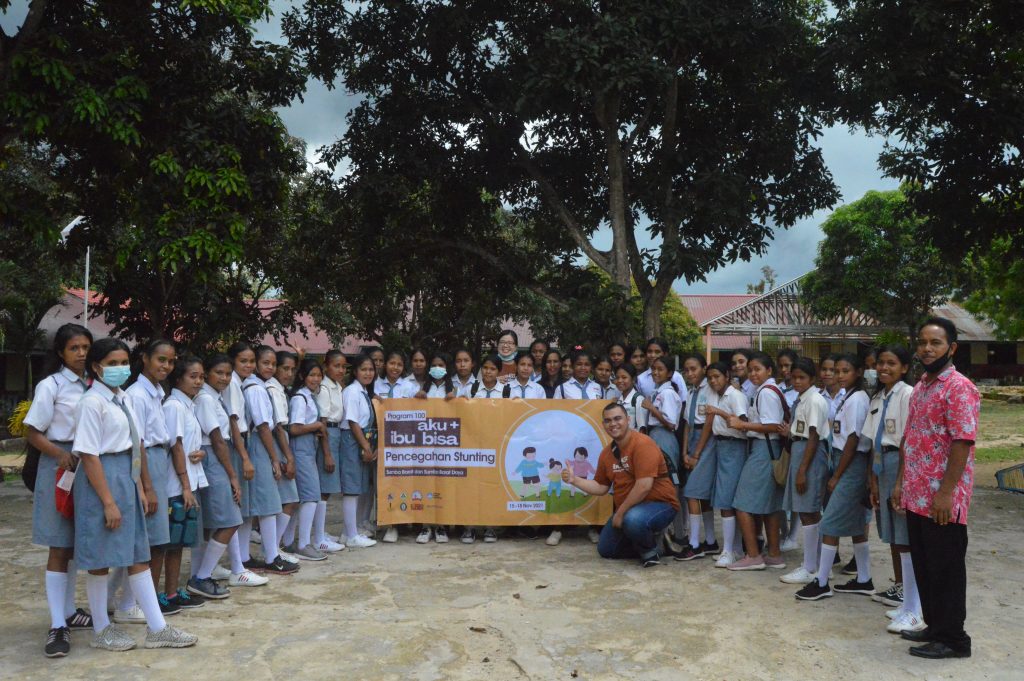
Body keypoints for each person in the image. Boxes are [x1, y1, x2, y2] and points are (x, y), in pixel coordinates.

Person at [72, 337, 197, 651]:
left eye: (122, 363)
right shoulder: (91, 402)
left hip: (126, 478)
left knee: (138, 554)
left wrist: (142, 487)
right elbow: (89, 455)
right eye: (111, 364)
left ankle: (158, 629)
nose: (119, 369)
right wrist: (109, 502)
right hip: (102, 481)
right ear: (96, 367)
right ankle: (102, 629)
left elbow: (137, 443)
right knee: (100, 558)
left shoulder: (123, 397)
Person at [892, 318, 979, 659]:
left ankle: (955, 639)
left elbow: (962, 442)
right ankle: (935, 626)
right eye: (923, 342)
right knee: (925, 564)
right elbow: (909, 439)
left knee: (946, 568)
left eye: (936, 342)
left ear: (952, 348)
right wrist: (900, 482)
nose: (927, 348)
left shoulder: (958, 387)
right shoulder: (922, 386)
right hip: (916, 495)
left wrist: (945, 493)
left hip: (943, 499)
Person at [23, 323, 94, 657]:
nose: (81, 354)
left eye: (85, 347)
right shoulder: (51, 385)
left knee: (77, 542)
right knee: (58, 544)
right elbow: (32, 431)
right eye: (74, 348)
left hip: (89, 466)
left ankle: (69, 610)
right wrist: (60, 455)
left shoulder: (94, 384)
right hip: (60, 467)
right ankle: (57, 626)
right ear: (61, 353)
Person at [562, 403, 680, 567]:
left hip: (660, 505)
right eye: (608, 421)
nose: (613, 424)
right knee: (606, 549)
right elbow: (601, 487)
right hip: (630, 508)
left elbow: (644, 486)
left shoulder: (643, 444)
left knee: (633, 520)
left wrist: (620, 513)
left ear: (628, 419)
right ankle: (658, 544)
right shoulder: (606, 454)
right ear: (603, 425)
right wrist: (574, 480)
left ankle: (650, 551)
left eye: (618, 418)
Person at [796, 353, 872, 600]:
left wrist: (837, 475)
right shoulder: (845, 396)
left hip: (850, 463)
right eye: (837, 371)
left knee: (829, 523)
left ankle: (821, 581)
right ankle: (864, 578)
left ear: (858, 372)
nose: (839, 375)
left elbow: (853, 438)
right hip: (842, 459)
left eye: (845, 371)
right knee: (857, 525)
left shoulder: (858, 399)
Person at [863, 345, 921, 634]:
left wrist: (899, 481)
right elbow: (875, 439)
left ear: (905, 368)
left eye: (891, 363)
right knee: (893, 536)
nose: (883, 368)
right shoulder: (879, 397)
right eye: (880, 363)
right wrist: (874, 480)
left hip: (899, 465)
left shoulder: (907, 395)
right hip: (881, 464)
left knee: (904, 535)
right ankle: (904, 595)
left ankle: (914, 604)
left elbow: (907, 441)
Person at [189, 354, 254, 597]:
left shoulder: (216, 397)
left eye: (228, 374)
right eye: (219, 373)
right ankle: (201, 577)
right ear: (207, 373)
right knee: (230, 520)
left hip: (219, 454)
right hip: (215, 456)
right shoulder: (206, 398)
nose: (224, 378)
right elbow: (217, 439)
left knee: (214, 522)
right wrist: (232, 476)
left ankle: (202, 574)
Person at [121, 339, 177, 619]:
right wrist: (147, 486)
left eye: (170, 361)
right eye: (161, 360)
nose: (166, 366)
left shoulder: (156, 392)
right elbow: (138, 443)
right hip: (147, 464)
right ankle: (134, 604)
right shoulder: (137, 394)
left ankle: (136, 601)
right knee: (149, 541)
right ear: (145, 359)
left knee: (156, 539)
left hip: (158, 460)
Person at [726, 352, 787, 571]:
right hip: (770, 450)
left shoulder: (766, 393)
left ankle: (753, 555)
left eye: (757, 369)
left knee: (741, 503)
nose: (753, 374)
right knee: (770, 506)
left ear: (769, 371)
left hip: (763, 449)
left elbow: (772, 426)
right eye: (750, 370)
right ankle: (774, 553)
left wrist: (743, 425)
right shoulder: (768, 390)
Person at [160, 355, 208, 611]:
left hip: (188, 479)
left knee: (179, 541)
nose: (198, 381)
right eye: (193, 376)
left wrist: (202, 453)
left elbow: (190, 446)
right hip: (176, 483)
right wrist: (186, 487)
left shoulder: (189, 405)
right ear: (178, 379)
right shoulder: (174, 407)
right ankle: (158, 595)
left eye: (201, 377)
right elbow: (176, 446)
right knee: (168, 541)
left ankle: (172, 591)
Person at [241, 347, 295, 575]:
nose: (269, 367)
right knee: (268, 503)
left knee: (254, 505)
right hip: (259, 445)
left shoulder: (259, 386)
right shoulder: (255, 389)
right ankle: (271, 556)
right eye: (265, 362)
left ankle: (244, 556)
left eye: (273, 363)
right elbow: (264, 426)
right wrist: (275, 458)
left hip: (258, 443)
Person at [778, 358, 831, 586]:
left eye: (802, 377)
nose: (797, 381)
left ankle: (811, 566)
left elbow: (814, 436)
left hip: (809, 455)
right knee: (805, 510)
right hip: (799, 450)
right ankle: (814, 563)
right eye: (794, 377)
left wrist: (802, 471)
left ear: (813, 379)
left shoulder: (815, 400)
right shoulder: (801, 400)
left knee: (809, 510)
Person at [691, 361, 748, 566]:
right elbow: (709, 423)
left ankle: (728, 551)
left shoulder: (735, 396)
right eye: (710, 378)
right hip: (721, 446)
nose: (713, 381)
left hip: (734, 446)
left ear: (727, 375)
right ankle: (735, 548)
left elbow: (743, 425)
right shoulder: (717, 395)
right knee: (724, 498)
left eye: (717, 376)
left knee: (726, 500)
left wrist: (720, 413)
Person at [287, 358, 331, 561]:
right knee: (311, 496)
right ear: (303, 377)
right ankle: (303, 543)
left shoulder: (309, 397)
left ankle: (288, 542)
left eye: (318, 375)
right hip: (301, 449)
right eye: (311, 375)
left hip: (308, 449)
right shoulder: (300, 398)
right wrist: (316, 426)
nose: (316, 379)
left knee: (302, 498)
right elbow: (294, 428)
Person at [677, 354, 719, 561]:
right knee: (701, 494)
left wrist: (696, 454)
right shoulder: (691, 392)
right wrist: (685, 451)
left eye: (694, 368)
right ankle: (710, 541)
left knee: (693, 492)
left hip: (706, 441)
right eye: (686, 369)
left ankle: (694, 543)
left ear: (703, 368)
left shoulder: (710, 390)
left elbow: (709, 423)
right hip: (692, 437)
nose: (690, 373)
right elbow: (686, 424)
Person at [339, 355, 380, 548]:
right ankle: (351, 535)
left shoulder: (364, 392)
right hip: (353, 440)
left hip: (363, 439)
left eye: (371, 370)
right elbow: (353, 422)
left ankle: (349, 532)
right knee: (351, 489)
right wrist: (365, 446)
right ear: (355, 371)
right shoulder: (352, 392)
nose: (368, 373)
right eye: (363, 369)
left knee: (358, 487)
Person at [266, 351, 303, 558]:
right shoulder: (272, 389)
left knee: (288, 500)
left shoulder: (280, 389)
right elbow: (279, 427)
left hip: (280, 443)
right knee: (289, 499)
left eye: (292, 369)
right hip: (278, 444)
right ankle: (273, 548)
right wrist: (289, 458)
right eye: (285, 368)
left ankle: (275, 547)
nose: (289, 373)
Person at [314, 349, 347, 553]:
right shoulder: (324, 388)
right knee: (323, 489)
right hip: (328, 435)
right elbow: (323, 423)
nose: (341, 370)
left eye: (344, 366)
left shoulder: (337, 386)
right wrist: (326, 453)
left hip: (336, 435)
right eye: (336, 366)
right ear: (327, 366)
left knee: (327, 488)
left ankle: (320, 531)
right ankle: (318, 537)